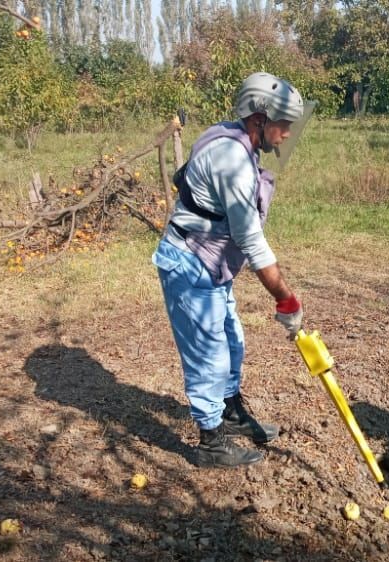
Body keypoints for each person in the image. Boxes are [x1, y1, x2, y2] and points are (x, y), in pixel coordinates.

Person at [152, 72, 305, 467]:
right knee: (210, 354)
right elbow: (251, 241)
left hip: (211, 262)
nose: (288, 133)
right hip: (188, 262)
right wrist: (286, 299)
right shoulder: (233, 160)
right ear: (259, 117)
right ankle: (211, 441)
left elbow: (182, 176)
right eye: (284, 124)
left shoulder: (230, 136)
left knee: (232, 341)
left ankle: (231, 412)